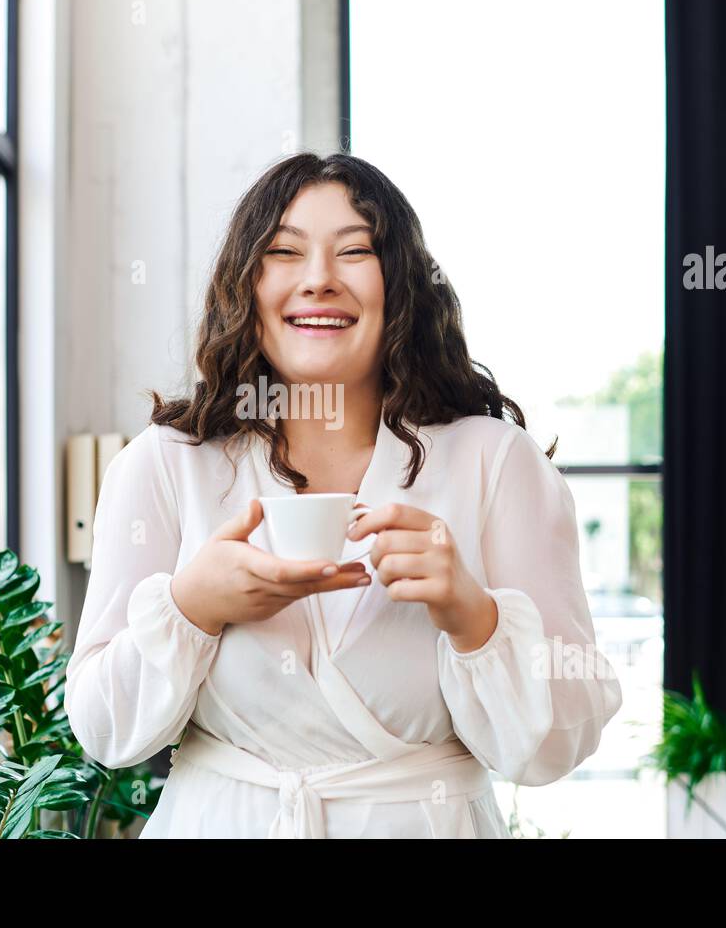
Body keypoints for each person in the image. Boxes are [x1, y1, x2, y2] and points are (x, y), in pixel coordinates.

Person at [64, 152, 622, 838]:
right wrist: (193, 607)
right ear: (246, 283)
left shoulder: (496, 462)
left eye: (355, 250)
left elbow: (557, 747)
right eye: (283, 252)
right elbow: (102, 731)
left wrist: (472, 616)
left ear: (401, 284)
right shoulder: (164, 466)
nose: (319, 279)